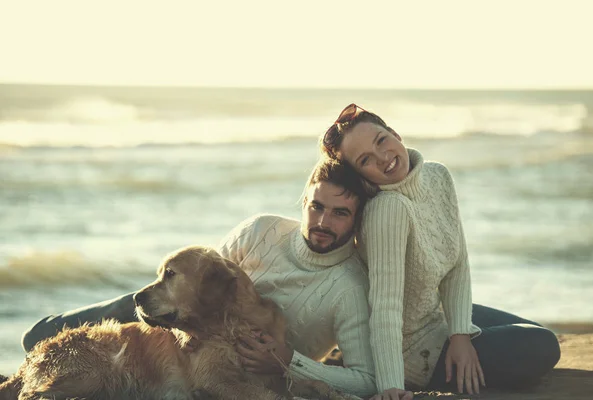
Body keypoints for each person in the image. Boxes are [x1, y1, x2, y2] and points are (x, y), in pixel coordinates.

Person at [21, 157, 378, 398]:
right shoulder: (261, 230)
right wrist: (190, 328)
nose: (322, 222)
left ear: (357, 219)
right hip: (176, 318)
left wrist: (289, 360)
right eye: (316, 206)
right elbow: (200, 269)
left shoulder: (349, 288)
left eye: (340, 213)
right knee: (41, 336)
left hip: (190, 326)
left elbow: (366, 380)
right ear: (303, 202)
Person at [318, 103, 561, 400]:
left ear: (394, 133)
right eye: (366, 159)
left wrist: (460, 334)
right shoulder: (388, 210)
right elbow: (385, 307)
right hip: (412, 350)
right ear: (361, 176)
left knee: (533, 331)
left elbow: (458, 262)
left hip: (437, 317)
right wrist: (391, 387)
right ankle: (420, 374)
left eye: (382, 140)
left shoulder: (436, 176)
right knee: (542, 346)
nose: (383, 158)